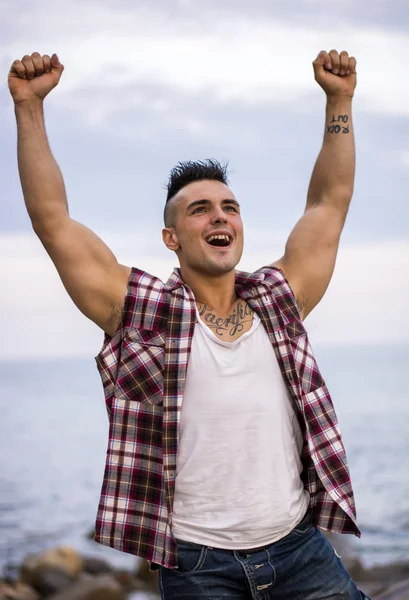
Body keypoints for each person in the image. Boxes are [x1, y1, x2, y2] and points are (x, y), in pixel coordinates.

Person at [8, 48, 371, 599]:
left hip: (301, 552)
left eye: (229, 206)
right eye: (200, 208)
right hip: (199, 568)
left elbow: (329, 203)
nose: (220, 215)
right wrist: (29, 107)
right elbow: (53, 222)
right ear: (171, 238)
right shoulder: (142, 310)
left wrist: (339, 100)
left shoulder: (279, 298)